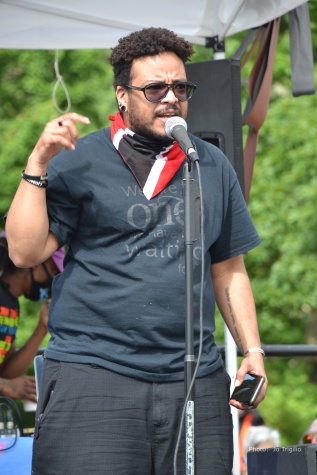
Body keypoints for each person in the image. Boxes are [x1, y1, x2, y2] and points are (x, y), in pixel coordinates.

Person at [5, 27, 267, 475]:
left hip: (194, 379)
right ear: (122, 96)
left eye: (180, 87)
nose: (171, 97)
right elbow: (25, 254)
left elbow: (228, 268)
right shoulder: (82, 160)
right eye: (155, 88)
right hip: (94, 376)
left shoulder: (210, 164)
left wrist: (253, 352)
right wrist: (38, 164)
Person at [0, 230, 64, 402]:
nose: (51, 281)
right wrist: (5, 386)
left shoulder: (11, 303)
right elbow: (6, 381)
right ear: (35, 262)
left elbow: (6, 372)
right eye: (52, 270)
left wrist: (42, 328)